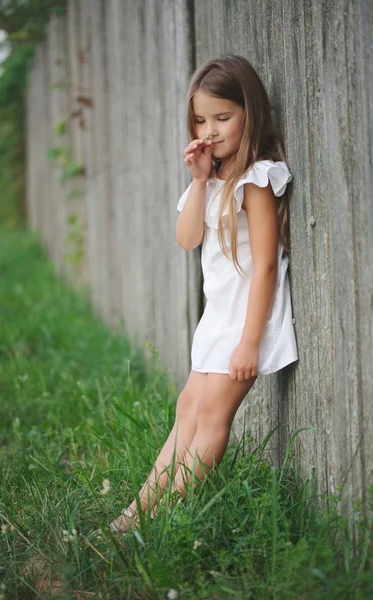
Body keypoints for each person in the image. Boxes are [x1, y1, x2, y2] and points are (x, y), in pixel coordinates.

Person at [109, 54, 298, 533]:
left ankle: (166, 521)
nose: (209, 129)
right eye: (200, 119)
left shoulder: (256, 180)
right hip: (219, 316)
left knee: (213, 414)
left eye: (223, 117)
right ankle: (135, 515)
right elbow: (187, 238)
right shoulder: (211, 180)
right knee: (187, 407)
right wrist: (198, 180)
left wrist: (250, 342)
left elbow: (265, 271)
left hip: (247, 316)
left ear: (249, 115)